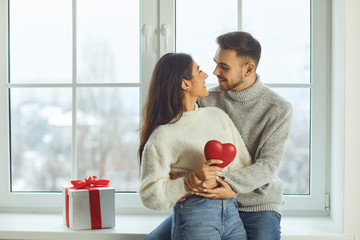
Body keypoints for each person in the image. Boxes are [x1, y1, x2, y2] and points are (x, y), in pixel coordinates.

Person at [144, 31, 293, 240]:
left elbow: (268, 165)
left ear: (248, 68)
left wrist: (227, 185)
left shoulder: (278, 109)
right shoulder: (206, 100)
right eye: (216, 63)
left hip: (257, 204)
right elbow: (175, 139)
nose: (215, 71)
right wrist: (182, 180)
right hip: (207, 201)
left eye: (224, 67)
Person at [138, 52, 252, 240]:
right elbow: (149, 195)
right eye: (199, 71)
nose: (206, 75)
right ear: (185, 83)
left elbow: (243, 165)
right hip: (195, 215)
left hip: (231, 213)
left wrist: (224, 184)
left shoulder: (218, 116)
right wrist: (186, 183)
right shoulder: (163, 135)